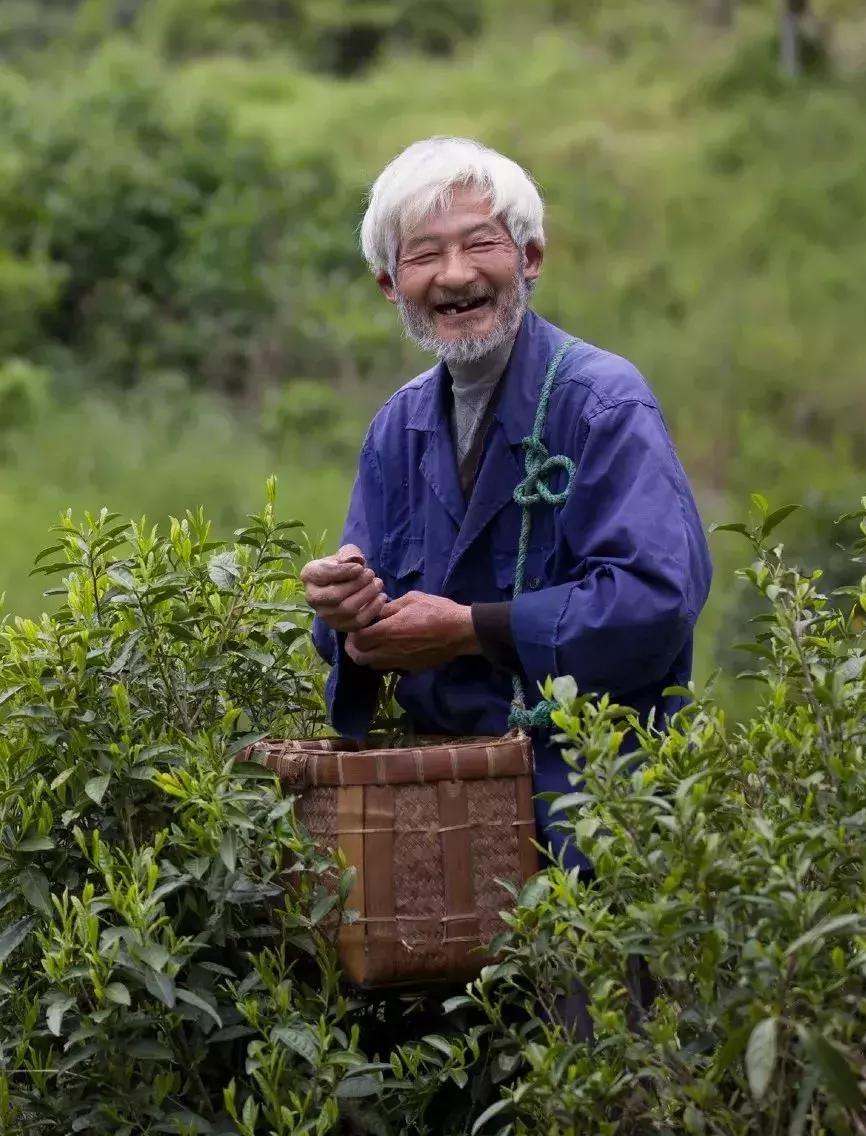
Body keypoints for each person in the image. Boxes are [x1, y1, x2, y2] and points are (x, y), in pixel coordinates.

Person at [301, 136, 712, 868]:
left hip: (596, 814)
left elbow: (656, 598)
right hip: (442, 826)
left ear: (530, 258)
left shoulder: (600, 403)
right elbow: (368, 629)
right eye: (424, 256)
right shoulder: (398, 427)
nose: (455, 275)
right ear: (390, 285)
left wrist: (468, 629)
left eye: (479, 244)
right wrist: (348, 615)